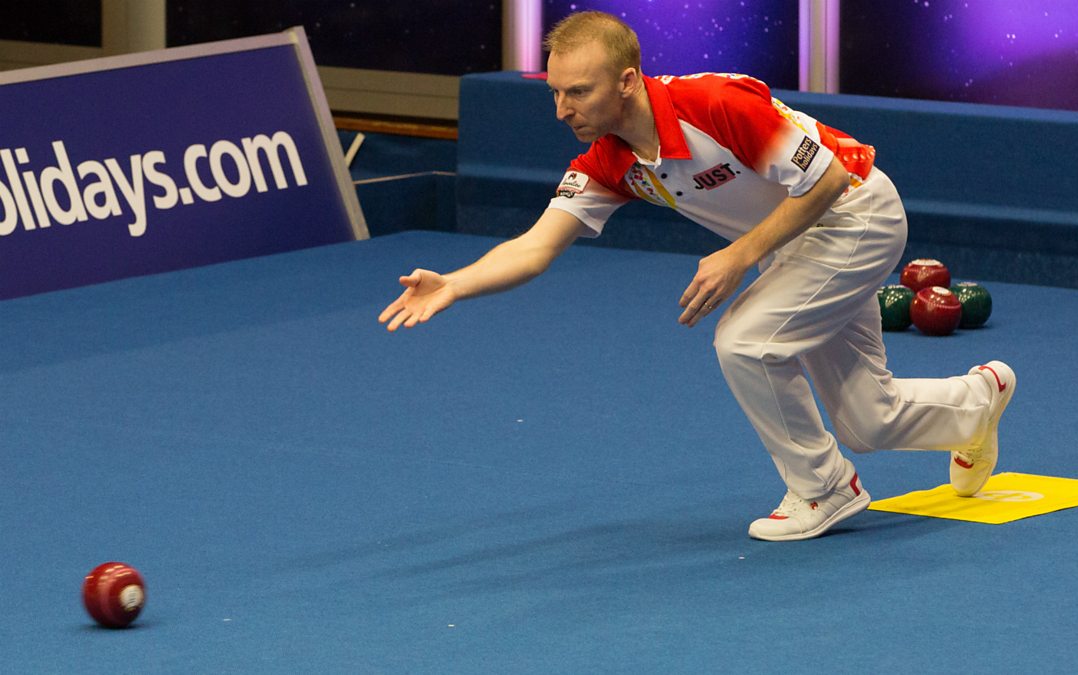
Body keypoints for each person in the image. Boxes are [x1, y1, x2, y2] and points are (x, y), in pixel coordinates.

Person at [378, 11, 1016, 541]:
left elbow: (828, 180)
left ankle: (824, 489)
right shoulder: (612, 160)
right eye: (554, 92)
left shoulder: (711, 104)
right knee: (867, 421)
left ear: (627, 81)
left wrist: (738, 255)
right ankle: (977, 404)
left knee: (746, 341)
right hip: (794, 241)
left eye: (578, 93)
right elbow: (536, 247)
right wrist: (456, 283)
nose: (560, 109)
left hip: (854, 216)